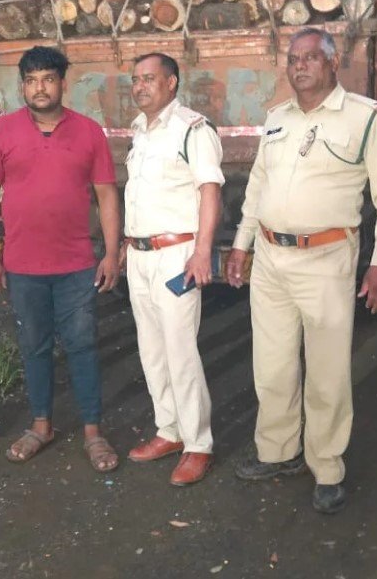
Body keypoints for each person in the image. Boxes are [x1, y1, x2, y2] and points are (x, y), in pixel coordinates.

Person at [225, 28, 377, 514]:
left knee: (327, 371)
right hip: (269, 258)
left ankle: (326, 466)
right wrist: (241, 244)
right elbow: (258, 187)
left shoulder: (365, 117)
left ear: (333, 62)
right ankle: (278, 451)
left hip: (326, 260)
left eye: (310, 57)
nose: (300, 65)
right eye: (293, 58)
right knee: (273, 364)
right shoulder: (277, 119)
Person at [0, 45, 122, 473]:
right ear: (23, 86)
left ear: (62, 84)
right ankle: (41, 425)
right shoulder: (2, 132)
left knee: (82, 345)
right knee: (33, 347)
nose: (40, 87)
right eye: (32, 80)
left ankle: (93, 430)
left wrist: (110, 253)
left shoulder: (89, 132)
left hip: (76, 264)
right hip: (22, 266)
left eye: (48, 79)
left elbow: (106, 195)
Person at [123, 53, 224, 486]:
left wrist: (202, 252)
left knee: (181, 352)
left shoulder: (192, 129)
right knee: (151, 349)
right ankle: (170, 430)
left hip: (177, 256)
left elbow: (209, 190)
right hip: (141, 255)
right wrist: (130, 242)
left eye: (149, 79)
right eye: (135, 80)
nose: (141, 86)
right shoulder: (139, 131)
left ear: (171, 83)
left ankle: (199, 443)